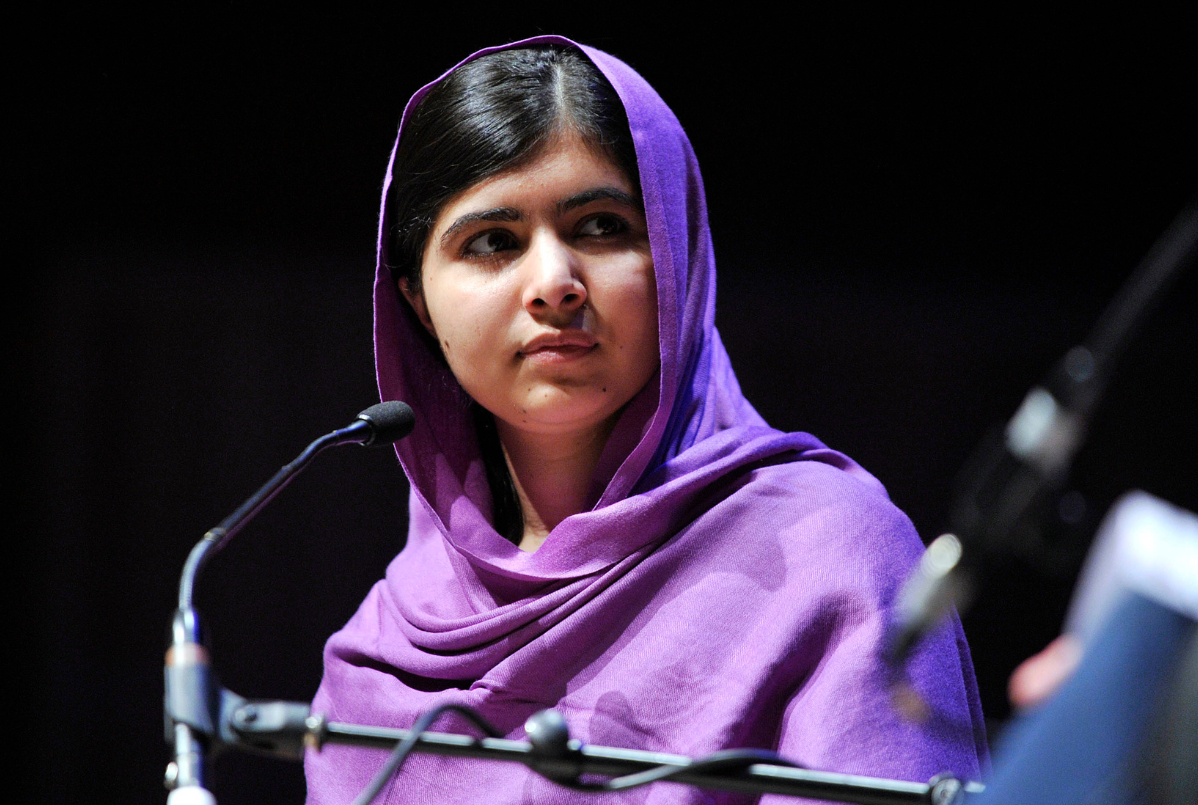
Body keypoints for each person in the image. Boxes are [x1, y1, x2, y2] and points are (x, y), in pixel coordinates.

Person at [305, 36, 987, 804]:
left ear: (677, 252)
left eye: (601, 227)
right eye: (493, 242)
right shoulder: (375, 663)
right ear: (417, 303)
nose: (555, 284)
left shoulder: (829, 557)